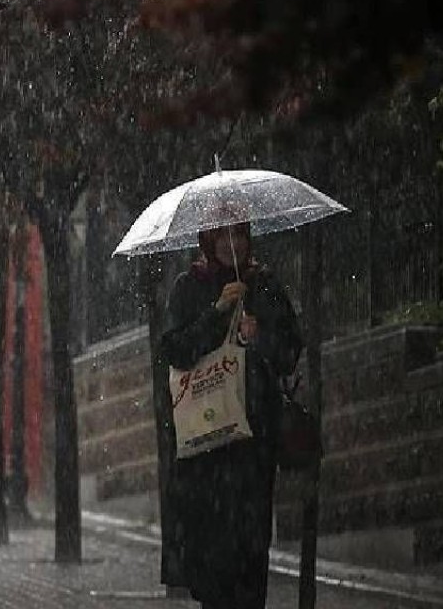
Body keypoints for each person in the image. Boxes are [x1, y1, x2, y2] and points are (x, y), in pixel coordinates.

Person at [161, 222, 302, 609]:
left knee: (250, 556)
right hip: (207, 447)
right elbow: (174, 350)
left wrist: (260, 337)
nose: (231, 244)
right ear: (207, 240)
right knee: (212, 561)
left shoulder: (264, 285)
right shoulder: (189, 287)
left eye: (238, 235)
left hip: (252, 444)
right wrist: (217, 313)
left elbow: (290, 352)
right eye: (222, 236)